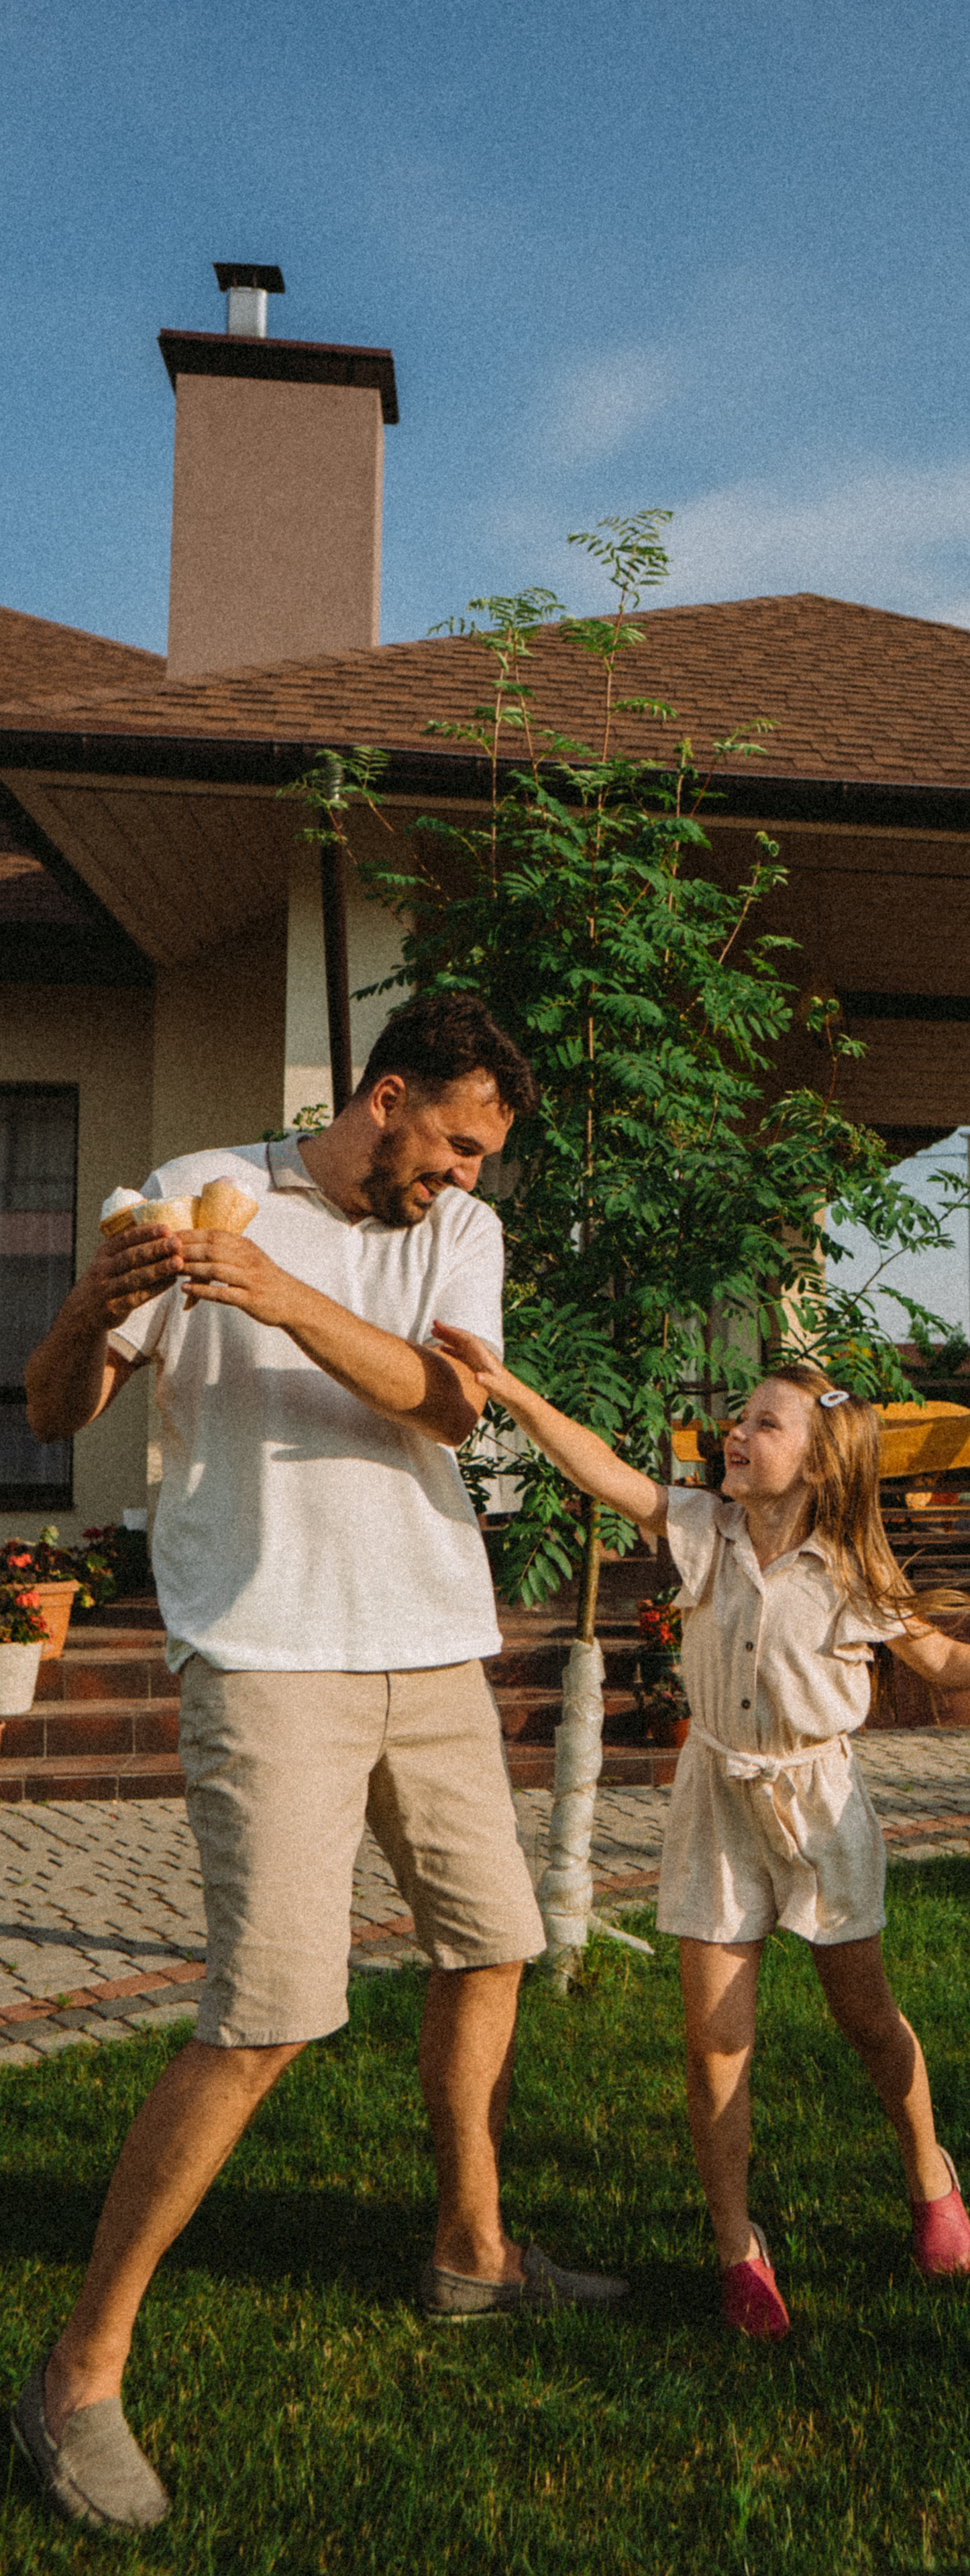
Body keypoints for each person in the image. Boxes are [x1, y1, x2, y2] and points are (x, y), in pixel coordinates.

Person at [11, 994, 626, 2536]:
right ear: (389, 1094)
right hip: (269, 1645)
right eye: (457, 1143)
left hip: (427, 1634)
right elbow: (52, 1403)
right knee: (270, 2010)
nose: (467, 1175)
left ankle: (471, 2247)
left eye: (483, 1156)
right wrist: (97, 1305)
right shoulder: (189, 1183)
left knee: (495, 1936)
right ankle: (80, 2371)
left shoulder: (450, 1237)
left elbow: (449, 1398)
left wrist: (276, 1293)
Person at [425, 1343, 970, 2340]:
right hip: (717, 1799)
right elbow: (602, 1468)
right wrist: (512, 1391)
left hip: (820, 1806)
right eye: (739, 1420)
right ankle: (734, 2247)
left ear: (821, 1464)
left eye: (763, 1425)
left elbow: (935, 1654)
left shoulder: (852, 1564)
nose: (736, 1436)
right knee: (715, 2043)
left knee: (868, 2019)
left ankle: (930, 2173)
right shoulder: (704, 1527)